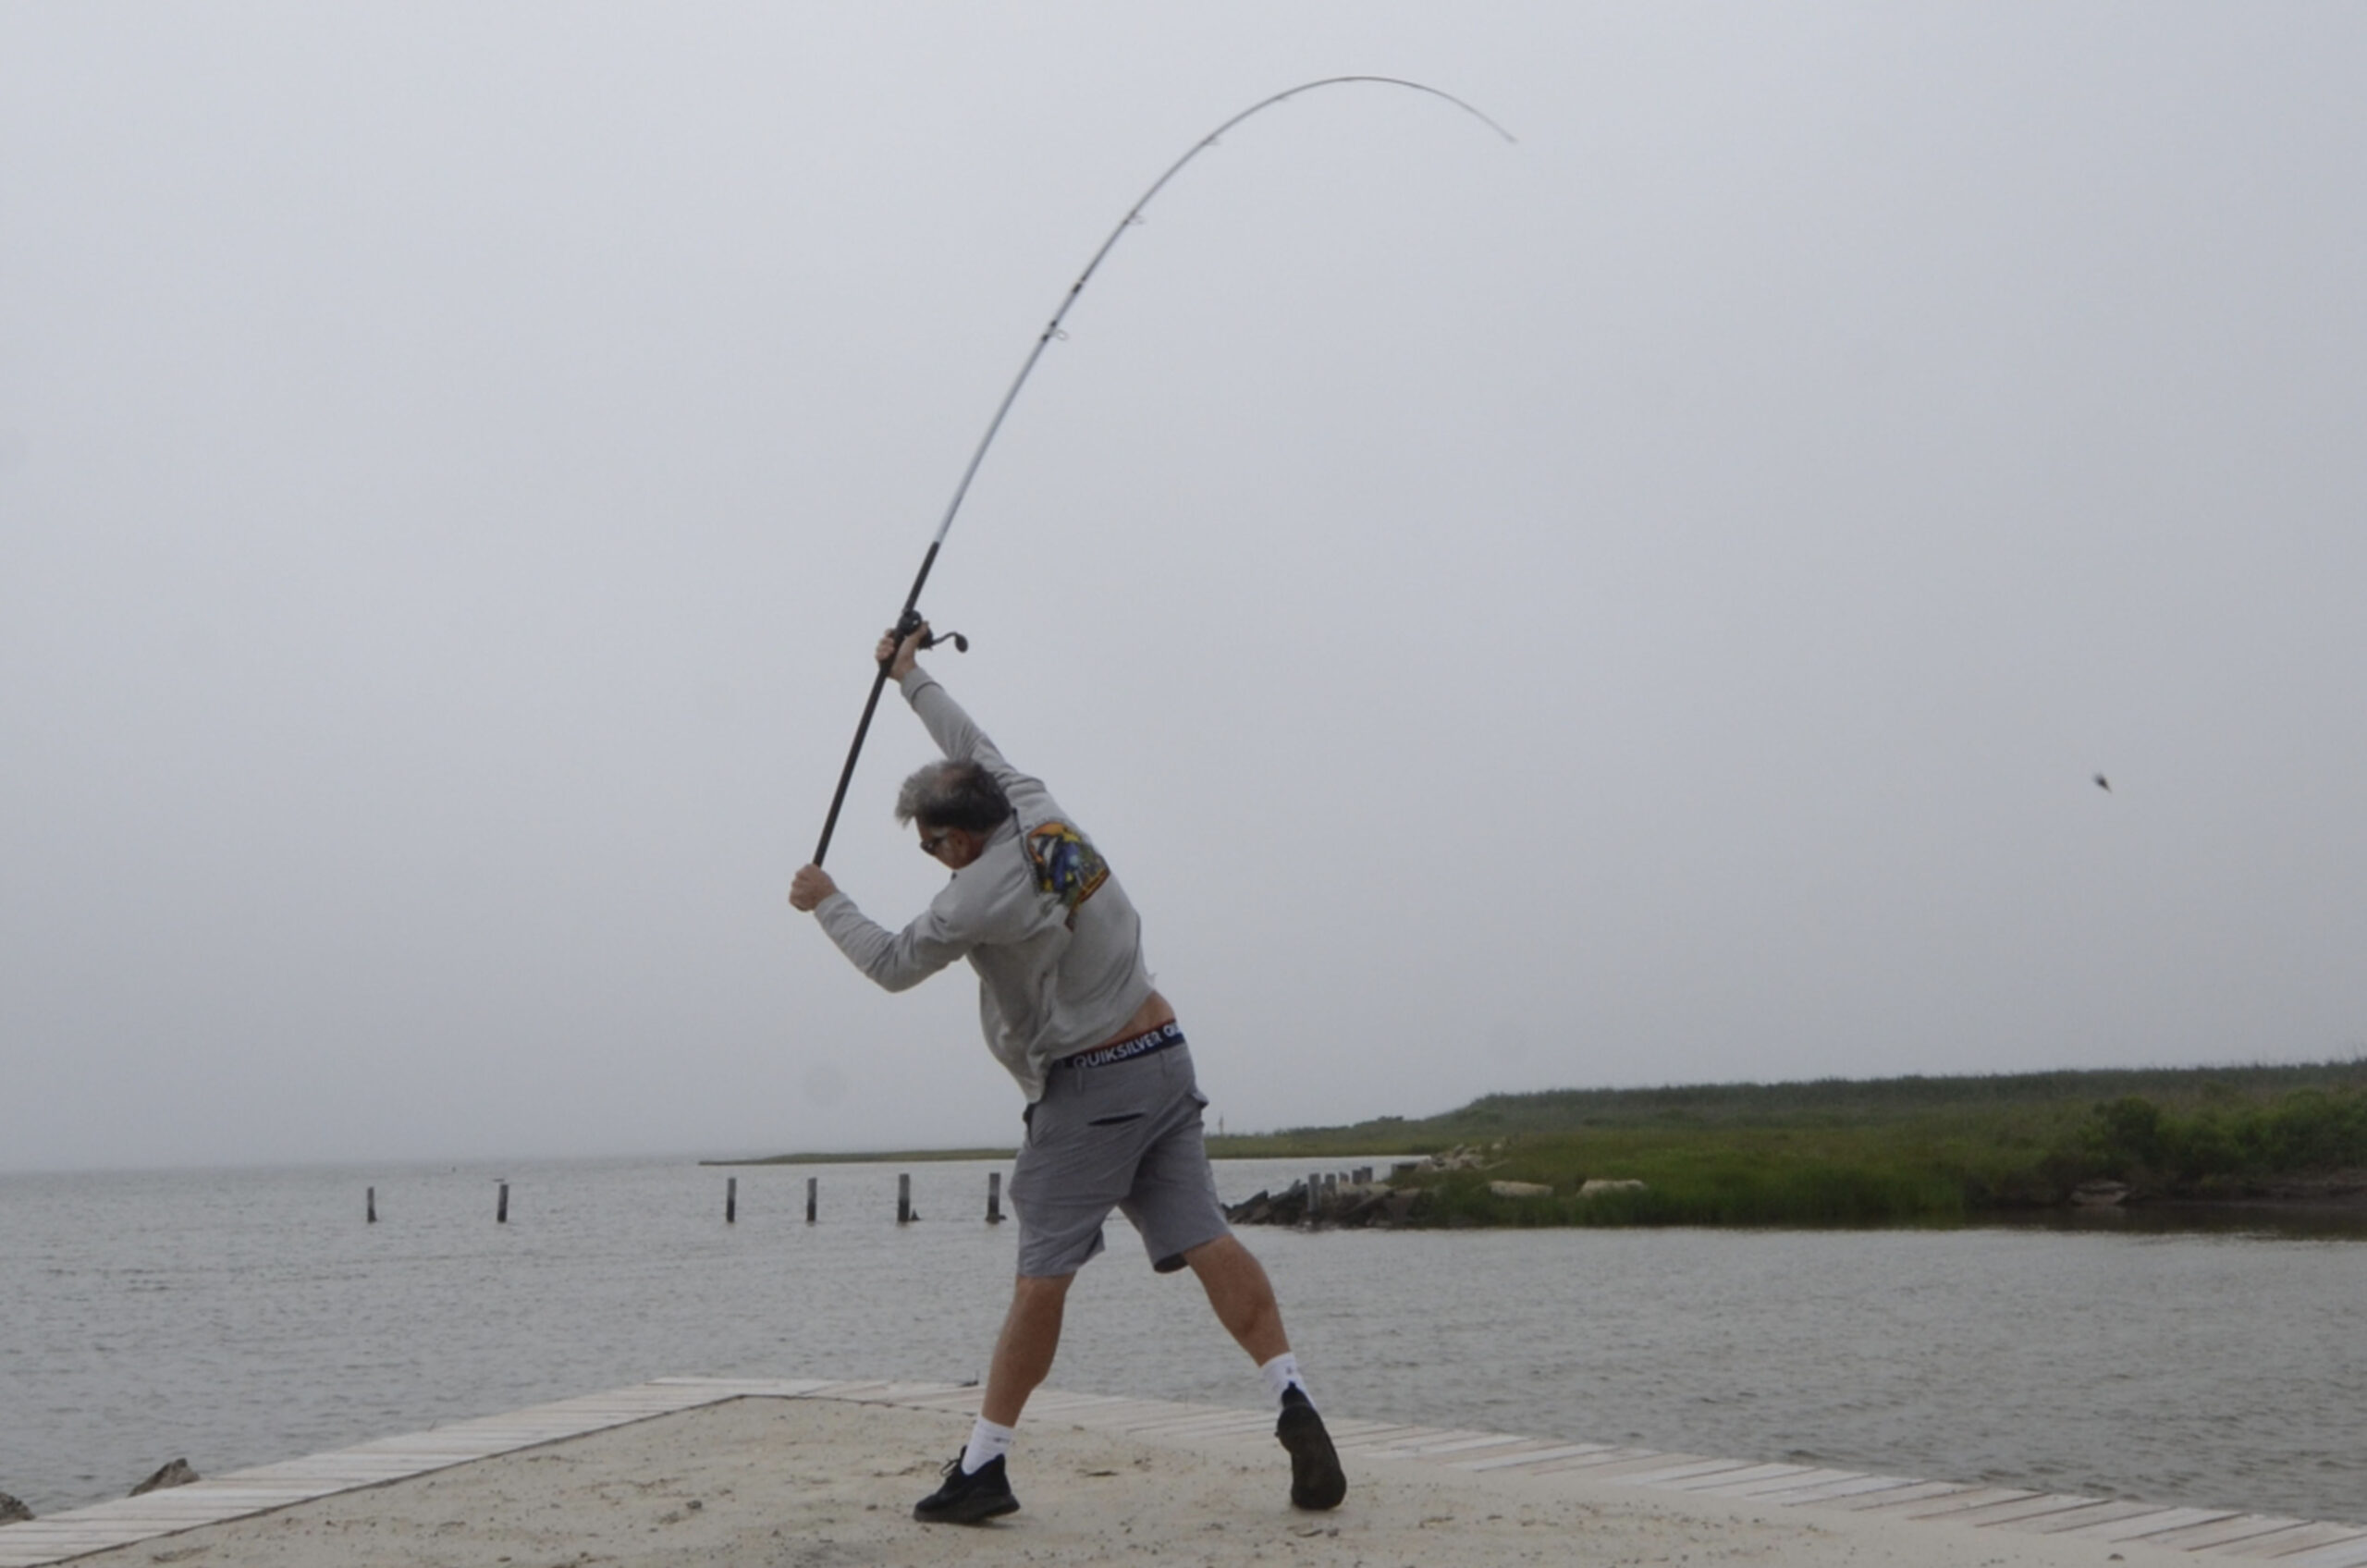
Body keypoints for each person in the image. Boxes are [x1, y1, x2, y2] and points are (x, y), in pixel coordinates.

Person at [788, 623, 1345, 1525]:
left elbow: (891, 963)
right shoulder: (1026, 797)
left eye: (929, 846)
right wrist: (908, 675)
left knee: (1042, 1274)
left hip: (1091, 1089)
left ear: (955, 843)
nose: (929, 860)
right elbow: (965, 741)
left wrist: (826, 902)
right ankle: (1293, 1396)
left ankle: (984, 1465)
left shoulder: (974, 895)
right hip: (1163, 1054)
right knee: (1203, 1232)